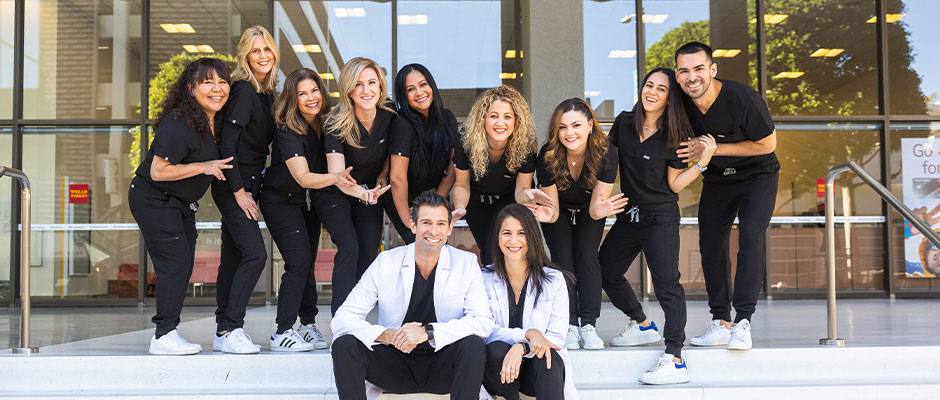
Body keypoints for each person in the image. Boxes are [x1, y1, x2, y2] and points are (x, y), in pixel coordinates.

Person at [599, 67, 716, 384]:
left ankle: (675, 358)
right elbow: (606, 163)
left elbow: (675, 184)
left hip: (660, 217)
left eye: (661, 89)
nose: (652, 91)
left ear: (669, 98)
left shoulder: (675, 135)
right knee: (605, 270)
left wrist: (703, 162)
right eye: (649, 85)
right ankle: (641, 323)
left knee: (667, 285)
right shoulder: (624, 123)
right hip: (629, 214)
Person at [331, 190, 494, 400]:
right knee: (344, 344)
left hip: (443, 366)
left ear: (449, 228)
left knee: (473, 344)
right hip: (394, 365)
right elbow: (342, 319)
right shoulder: (386, 261)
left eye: (441, 224)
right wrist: (389, 336)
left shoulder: (466, 262)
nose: (433, 231)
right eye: (426, 223)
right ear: (413, 225)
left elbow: (483, 322)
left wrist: (428, 333)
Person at [673, 42, 779, 351]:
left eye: (698, 69)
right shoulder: (679, 101)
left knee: (750, 236)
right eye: (684, 71)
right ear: (677, 76)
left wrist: (713, 149)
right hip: (718, 179)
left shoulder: (743, 98)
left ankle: (743, 322)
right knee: (710, 245)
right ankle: (721, 321)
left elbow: (768, 144)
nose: (692, 77)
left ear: (713, 70)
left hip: (757, 175)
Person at [129, 58, 233, 355]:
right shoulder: (180, 122)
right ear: (190, 88)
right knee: (174, 264)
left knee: (183, 264)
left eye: (222, 82)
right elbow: (158, 171)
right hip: (154, 198)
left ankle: (168, 330)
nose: (217, 88)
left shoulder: (212, 122)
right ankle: (163, 335)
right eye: (208, 82)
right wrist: (203, 166)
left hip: (180, 203)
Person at [260, 68, 357, 351]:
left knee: (308, 262)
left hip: (307, 202)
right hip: (280, 200)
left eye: (314, 90)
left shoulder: (326, 124)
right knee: (298, 260)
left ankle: (307, 324)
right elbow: (303, 177)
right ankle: (282, 332)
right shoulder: (287, 129)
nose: (310, 97)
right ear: (293, 99)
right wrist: (337, 178)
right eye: (302, 93)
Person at [526, 98, 624, 351]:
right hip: (556, 208)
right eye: (562, 127)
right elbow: (553, 209)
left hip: (590, 207)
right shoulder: (548, 155)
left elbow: (596, 205)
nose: (569, 133)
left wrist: (601, 209)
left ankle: (588, 325)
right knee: (562, 259)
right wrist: (547, 216)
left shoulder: (606, 153)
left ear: (590, 125)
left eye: (576, 125)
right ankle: (568, 324)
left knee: (587, 256)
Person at [211, 26, 279, 353]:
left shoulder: (266, 93)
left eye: (266, 49)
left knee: (233, 256)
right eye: (255, 50)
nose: (262, 55)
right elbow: (227, 143)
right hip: (234, 184)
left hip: (249, 182)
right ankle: (232, 329)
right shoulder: (242, 90)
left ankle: (222, 329)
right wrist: (238, 191)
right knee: (255, 254)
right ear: (245, 56)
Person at [319, 57, 394, 315]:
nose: (366, 90)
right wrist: (363, 193)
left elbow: (393, 152)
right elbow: (338, 175)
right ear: (348, 90)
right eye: (358, 84)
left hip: (370, 192)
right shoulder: (335, 122)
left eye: (372, 83)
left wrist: (383, 174)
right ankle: (341, 321)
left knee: (369, 250)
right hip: (336, 192)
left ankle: (357, 316)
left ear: (380, 87)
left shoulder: (389, 116)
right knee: (349, 246)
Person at [481, 204, 578, 400]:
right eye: (506, 233)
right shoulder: (483, 278)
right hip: (499, 374)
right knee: (497, 349)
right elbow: (484, 330)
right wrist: (527, 334)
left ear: (532, 237)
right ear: (497, 238)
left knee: (548, 358)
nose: (513, 240)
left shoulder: (554, 280)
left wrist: (522, 347)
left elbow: (556, 338)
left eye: (521, 233)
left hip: (536, 374)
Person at [452, 85, 550, 265]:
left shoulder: (525, 144)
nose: (500, 123)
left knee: (498, 249)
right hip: (477, 199)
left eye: (507, 117)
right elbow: (461, 185)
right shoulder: (465, 142)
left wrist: (529, 194)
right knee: (486, 250)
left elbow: (521, 190)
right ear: (482, 118)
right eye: (494, 116)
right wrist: (459, 208)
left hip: (510, 197)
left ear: (516, 120)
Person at [384, 63, 459, 243]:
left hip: (432, 196)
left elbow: (451, 170)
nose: (419, 92)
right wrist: (408, 220)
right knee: (418, 241)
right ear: (404, 96)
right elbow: (397, 178)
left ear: (431, 86)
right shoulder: (402, 124)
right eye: (410, 89)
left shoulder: (447, 119)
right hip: (403, 198)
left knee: (437, 244)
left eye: (423, 84)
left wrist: (434, 205)